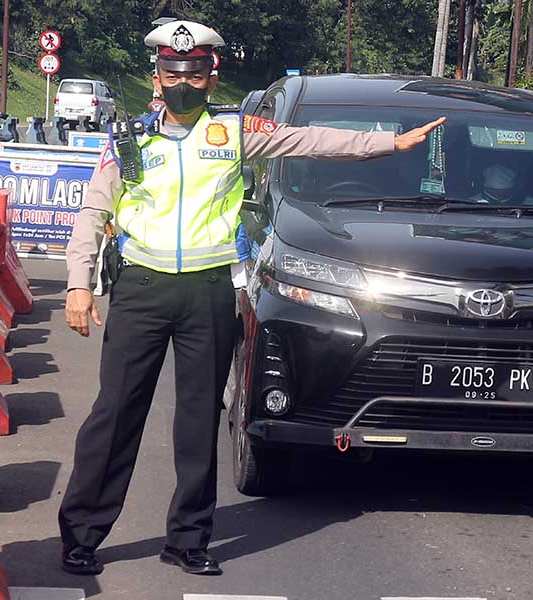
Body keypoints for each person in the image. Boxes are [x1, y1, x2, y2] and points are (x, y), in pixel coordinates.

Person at [59, 19, 445, 577]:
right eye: (172, 74)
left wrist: (390, 143)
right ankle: (82, 536)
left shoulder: (235, 132)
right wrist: (77, 283)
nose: (182, 84)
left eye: (193, 74)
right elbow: (94, 213)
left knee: (198, 421)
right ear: (156, 77)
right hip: (142, 287)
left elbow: (312, 140)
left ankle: (188, 540)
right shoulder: (129, 140)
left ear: (212, 78)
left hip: (210, 291)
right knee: (115, 414)